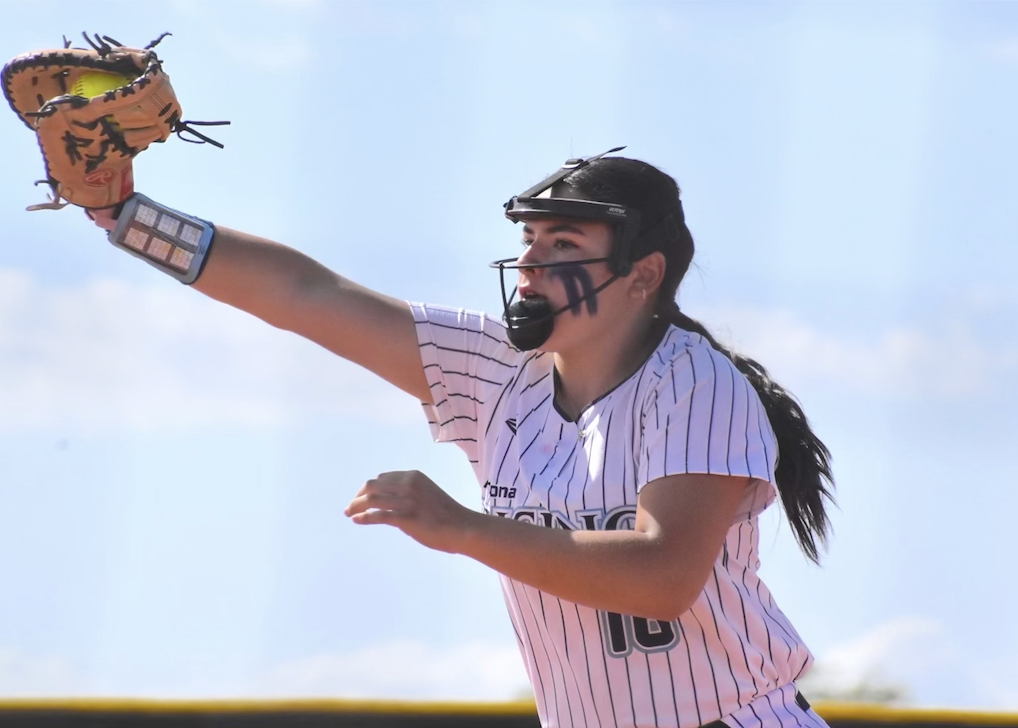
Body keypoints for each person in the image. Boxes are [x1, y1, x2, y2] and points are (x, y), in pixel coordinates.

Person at [89, 148, 835, 728]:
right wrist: (126, 215)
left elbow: (662, 577)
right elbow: (303, 295)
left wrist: (460, 528)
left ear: (643, 276)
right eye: (529, 237)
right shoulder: (495, 372)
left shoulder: (695, 383)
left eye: (564, 242)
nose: (532, 261)